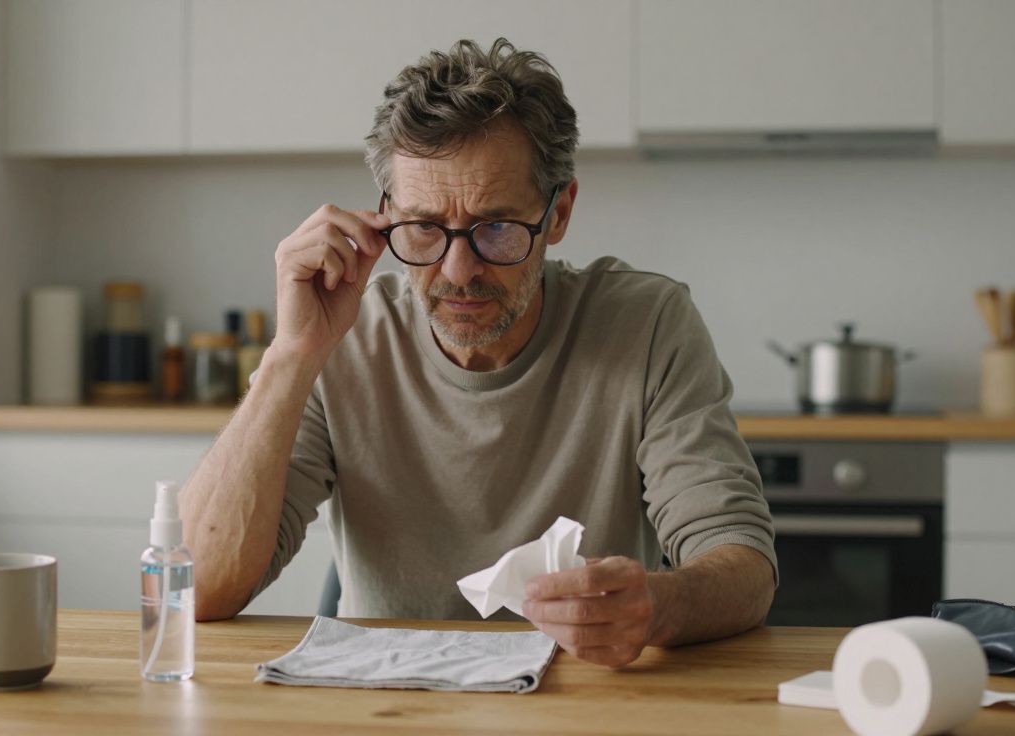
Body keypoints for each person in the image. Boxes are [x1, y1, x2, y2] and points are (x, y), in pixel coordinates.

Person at [180, 38, 776, 668]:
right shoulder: (344, 335)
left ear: (559, 213)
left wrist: (657, 605)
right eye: (424, 228)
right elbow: (197, 589)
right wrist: (291, 353)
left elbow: (743, 567)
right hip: (390, 695)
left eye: (495, 227)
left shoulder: (647, 325)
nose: (458, 270)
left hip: (590, 694)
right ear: (384, 219)